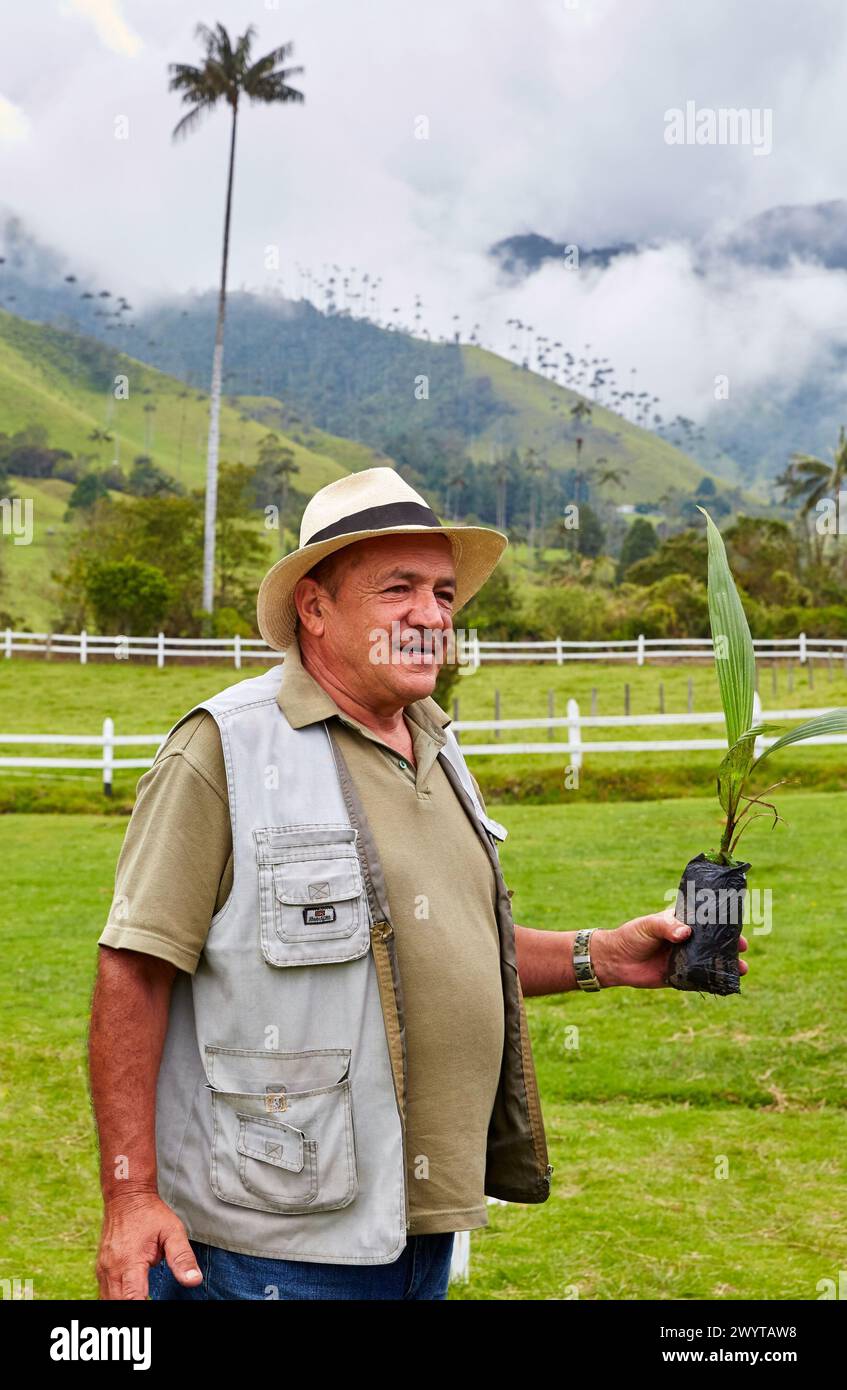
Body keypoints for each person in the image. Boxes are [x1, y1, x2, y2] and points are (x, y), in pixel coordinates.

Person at [89, 466, 748, 1301]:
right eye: (397, 587)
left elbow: (447, 943)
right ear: (314, 607)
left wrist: (603, 956)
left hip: (420, 1234)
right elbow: (134, 968)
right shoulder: (223, 751)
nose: (430, 615)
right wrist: (131, 1195)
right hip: (266, 1248)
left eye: (442, 592)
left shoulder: (436, 747)